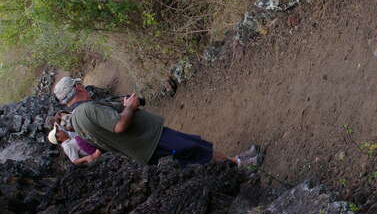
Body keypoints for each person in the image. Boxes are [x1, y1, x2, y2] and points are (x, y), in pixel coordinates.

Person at [53, 76, 262, 167]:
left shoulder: (76, 122)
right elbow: (119, 126)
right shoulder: (87, 110)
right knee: (195, 149)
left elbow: (102, 145)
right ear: (78, 88)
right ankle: (242, 165)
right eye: (80, 85)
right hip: (149, 140)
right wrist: (130, 106)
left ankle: (237, 161)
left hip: (143, 147)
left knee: (195, 146)